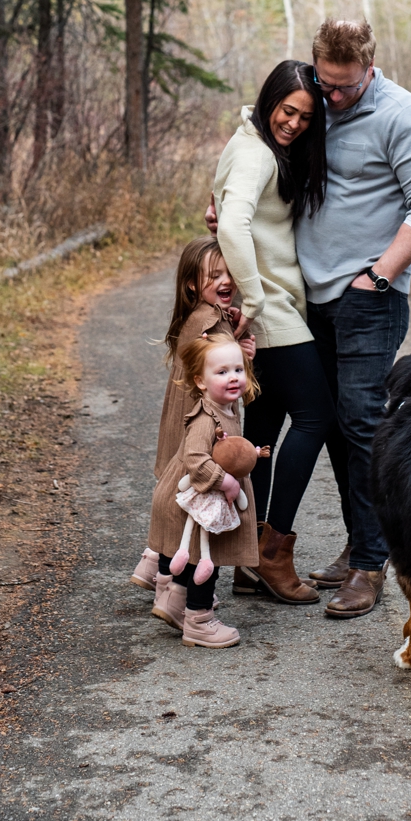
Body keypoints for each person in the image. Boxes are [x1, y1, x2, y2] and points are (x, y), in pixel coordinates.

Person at [292, 20, 411, 618]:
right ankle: (360, 543)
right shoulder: (313, 104)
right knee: (335, 424)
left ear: (370, 67)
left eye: (346, 86)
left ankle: (371, 562)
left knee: (363, 423)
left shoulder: (403, 115)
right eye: (325, 83)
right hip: (309, 296)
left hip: (369, 296)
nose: (333, 97)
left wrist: (379, 275)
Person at [209, 60, 335, 606]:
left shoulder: (251, 143)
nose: (295, 123)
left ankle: (246, 558)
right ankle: (273, 550)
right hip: (271, 311)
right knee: (316, 415)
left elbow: (233, 212)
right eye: (288, 111)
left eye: (306, 117)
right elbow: (233, 221)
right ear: (269, 101)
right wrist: (255, 298)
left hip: (270, 307)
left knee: (262, 428)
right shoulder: (256, 153)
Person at [129, 237, 254, 592]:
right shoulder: (211, 321)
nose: (225, 281)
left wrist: (240, 346)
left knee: (176, 494)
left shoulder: (199, 315)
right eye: (214, 275)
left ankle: (155, 564)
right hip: (200, 423)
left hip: (182, 418)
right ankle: (175, 591)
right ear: (192, 284)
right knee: (190, 501)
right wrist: (241, 358)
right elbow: (220, 373)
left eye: (229, 272)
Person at [148, 330, 261, 648]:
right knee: (206, 559)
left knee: (198, 555)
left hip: (202, 499)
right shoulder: (205, 417)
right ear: (200, 381)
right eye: (222, 372)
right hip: (198, 497)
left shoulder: (227, 406)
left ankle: (175, 602)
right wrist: (225, 480)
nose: (233, 378)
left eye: (238, 369)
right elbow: (196, 459)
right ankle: (199, 620)